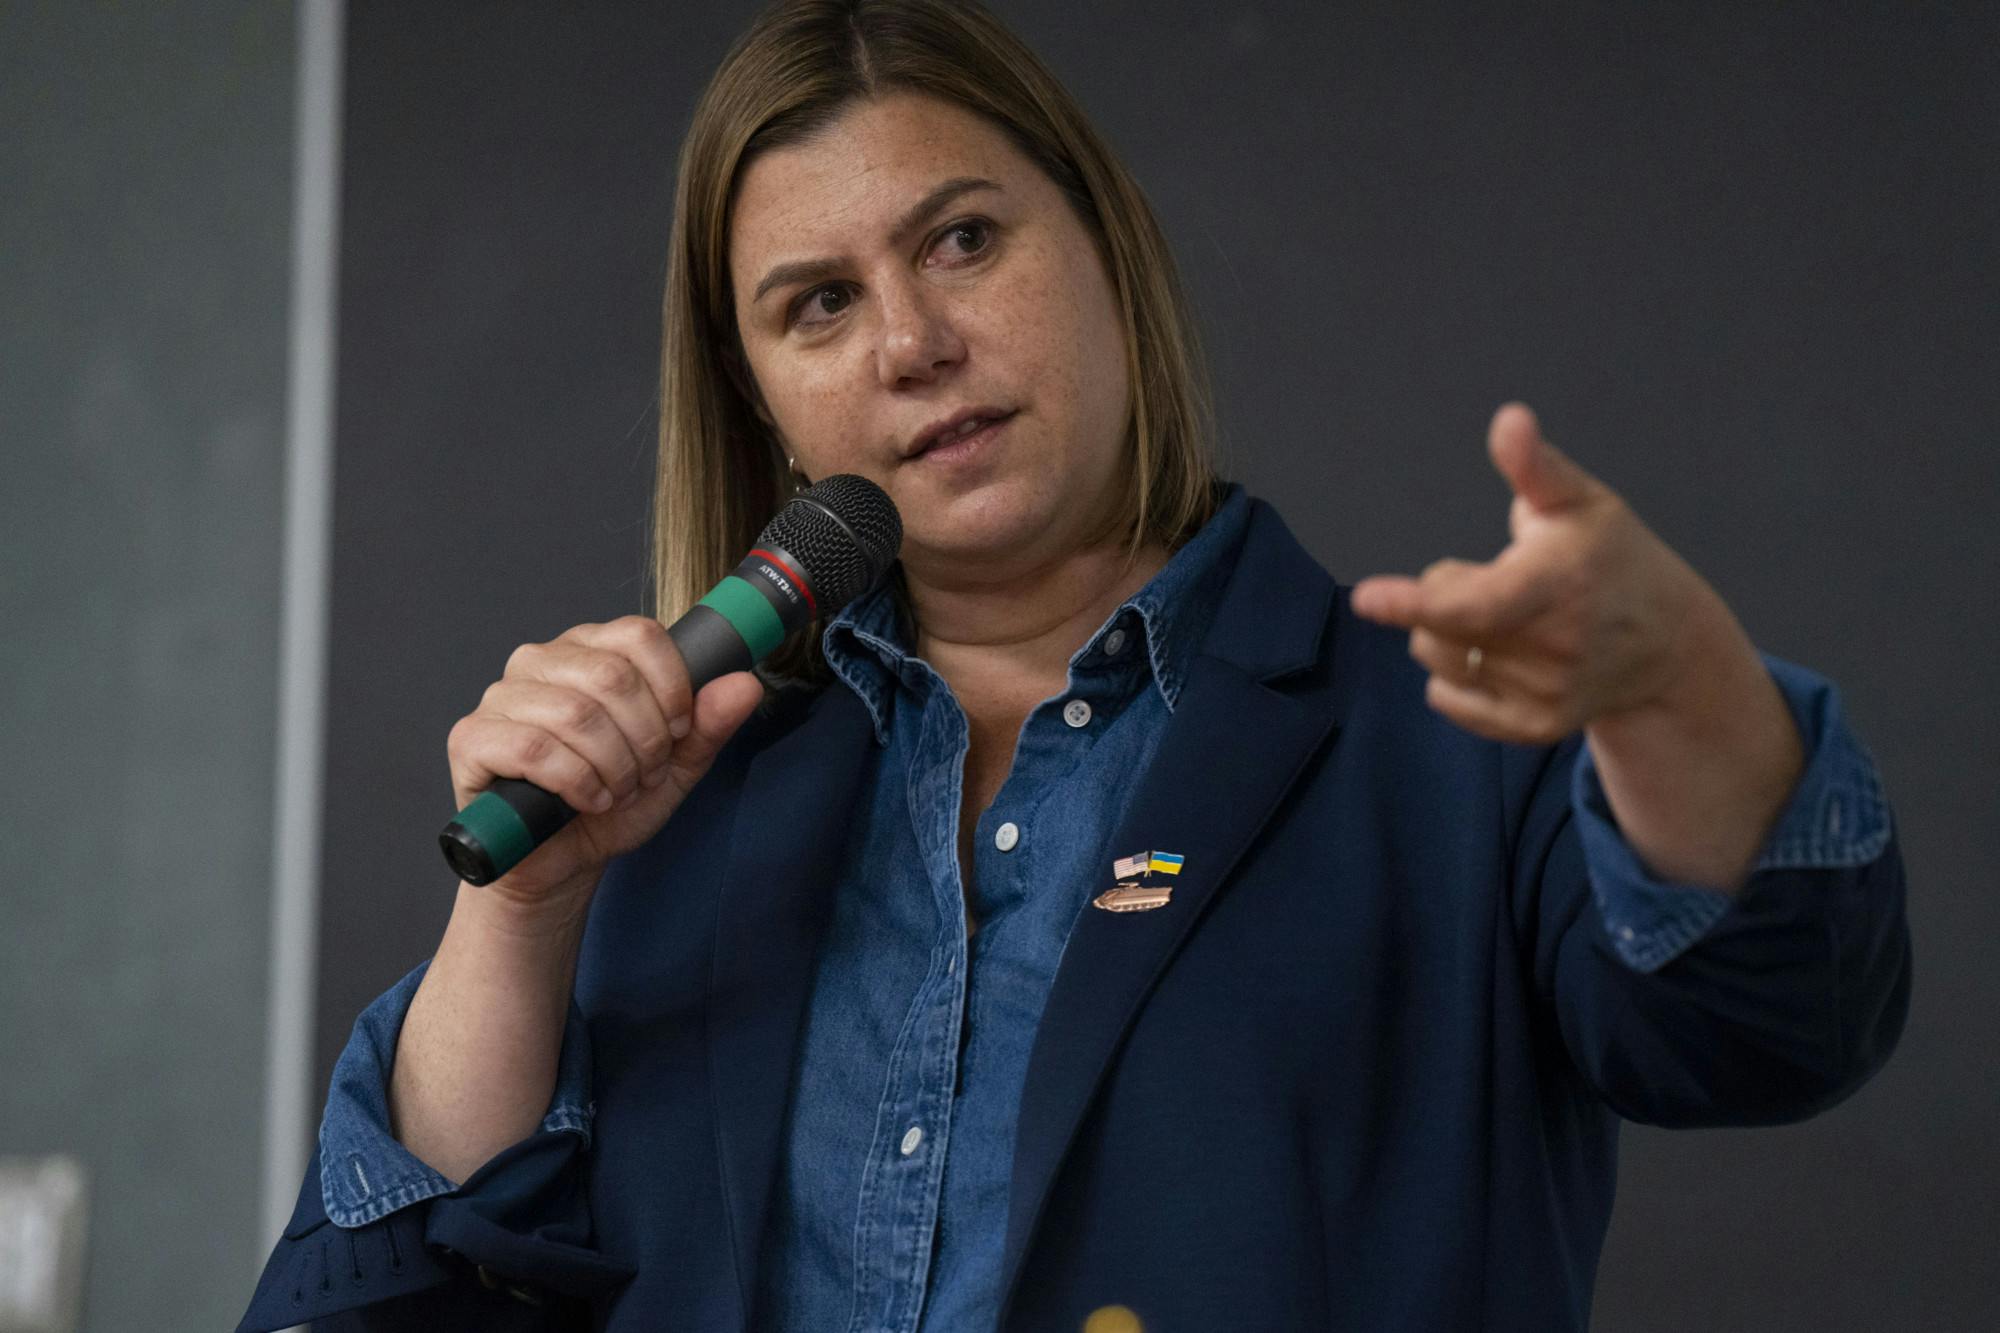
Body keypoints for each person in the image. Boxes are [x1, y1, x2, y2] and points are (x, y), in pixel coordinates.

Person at [239, 2, 1909, 1330]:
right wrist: (521, 912)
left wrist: (1671, 674)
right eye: (819, 305)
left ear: (1103, 244)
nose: (912, 343)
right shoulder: (668, 807)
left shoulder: (1450, 738)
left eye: (963, 240)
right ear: (764, 402)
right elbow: (393, 1307)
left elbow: (1776, 1023)